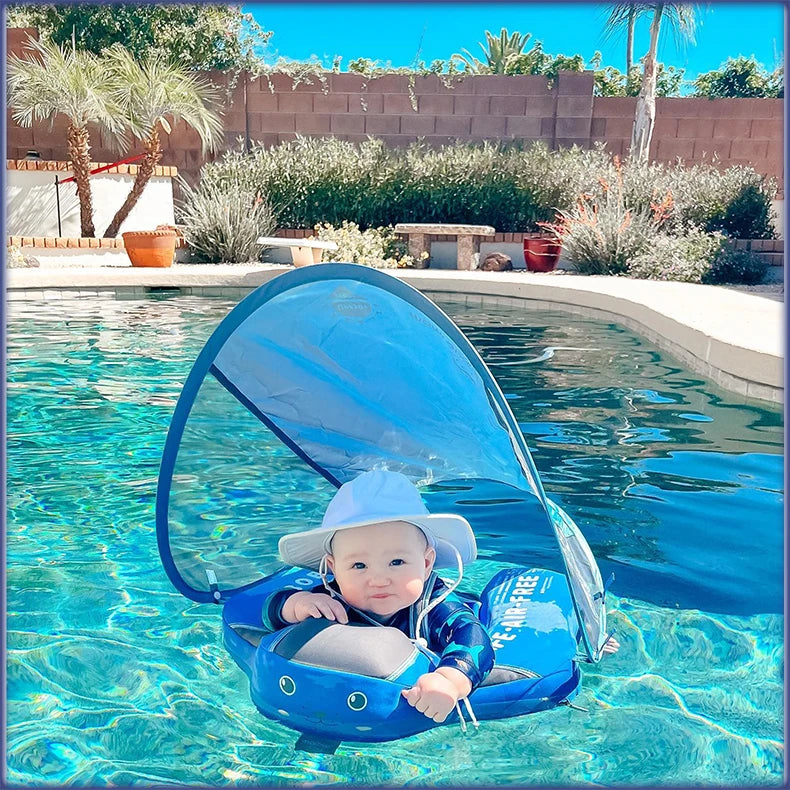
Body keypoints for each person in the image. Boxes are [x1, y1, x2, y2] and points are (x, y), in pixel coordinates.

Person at [262, 469, 495, 724]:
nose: (379, 580)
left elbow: (472, 635)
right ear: (334, 569)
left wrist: (449, 680)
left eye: (397, 562)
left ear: (427, 563)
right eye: (359, 565)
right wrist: (295, 604)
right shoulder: (333, 599)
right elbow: (271, 610)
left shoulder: (434, 605)